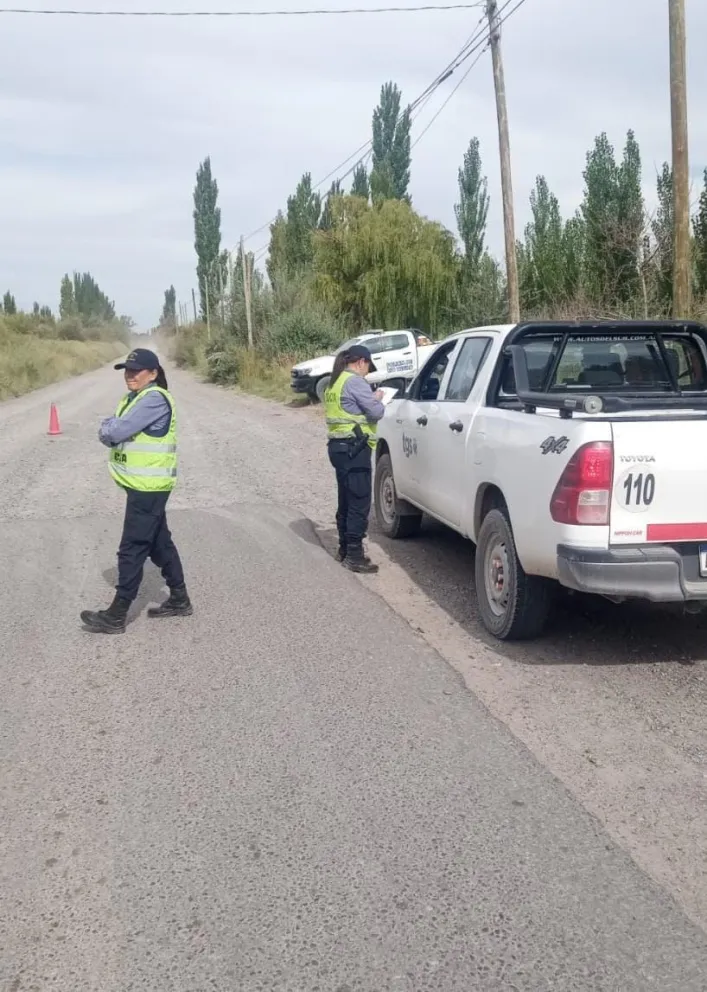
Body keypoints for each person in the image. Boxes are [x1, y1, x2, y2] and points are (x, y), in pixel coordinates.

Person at [80, 348, 192, 634]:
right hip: (142, 485)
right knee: (159, 543)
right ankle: (180, 599)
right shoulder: (135, 398)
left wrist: (109, 427)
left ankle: (117, 615)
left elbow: (113, 432)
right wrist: (113, 426)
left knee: (132, 548)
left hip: (149, 487)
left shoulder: (153, 398)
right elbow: (116, 427)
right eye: (127, 370)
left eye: (136, 370)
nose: (130, 375)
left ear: (153, 373)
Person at [324, 344, 386, 574]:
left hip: (338, 448)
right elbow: (375, 412)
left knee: (346, 499)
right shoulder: (355, 382)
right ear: (361, 362)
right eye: (368, 367)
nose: (367, 372)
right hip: (355, 447)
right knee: (359, 501)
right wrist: (377, 398)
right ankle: (355, 556)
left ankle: (343, 548)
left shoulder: (335, 382)